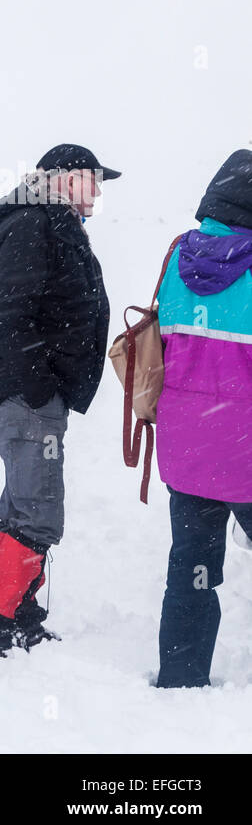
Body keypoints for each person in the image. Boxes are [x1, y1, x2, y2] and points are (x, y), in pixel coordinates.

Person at [0, 143, 121, 658]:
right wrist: (39, 385)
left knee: (23, 506)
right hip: (25, 394)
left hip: (33, 393)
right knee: (37, 512)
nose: (98, 190)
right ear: (62, 177)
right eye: (92, 178)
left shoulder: (50, 223)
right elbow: (6, 312)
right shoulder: (34, 224)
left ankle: (21, 614)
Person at [153, 149, 252, 687]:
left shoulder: (178, 257)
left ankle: (181, 675)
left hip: (188, 448)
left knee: (191, 566)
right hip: (246, 447)